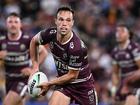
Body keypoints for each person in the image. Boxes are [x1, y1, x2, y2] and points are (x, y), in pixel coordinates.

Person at [30, 6, 98, 105]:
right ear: (56, 21)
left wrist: (49, 84)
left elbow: (72, 76)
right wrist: (35, 67)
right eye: (61, 19)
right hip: (64, 84)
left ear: (72, 23)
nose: (64, 24)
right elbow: (33, 41)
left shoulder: (77, 47)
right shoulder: (50, 34)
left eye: (68, 20)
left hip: (83, 87)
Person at [0, 12, 47, 105]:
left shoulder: (27, 39)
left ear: (20, 24)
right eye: (10, 22)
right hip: (9, 80)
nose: (13, 24)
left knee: (7, 103)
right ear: (6, 24)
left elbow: (44, 53)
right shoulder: (2, 41)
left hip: (23, 80)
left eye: (16, 22)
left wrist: (33, 69)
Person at [111, 23, 140, 105]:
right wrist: (113, 89)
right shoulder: (115, 52)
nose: (118, 34)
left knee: (130, 101)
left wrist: (126, 82)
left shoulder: (135, 48)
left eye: (122, 31)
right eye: (117, 31)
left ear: (129, 34)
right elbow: (115, 73)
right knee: (116, 101)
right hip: (124, 85)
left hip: (136, 84)